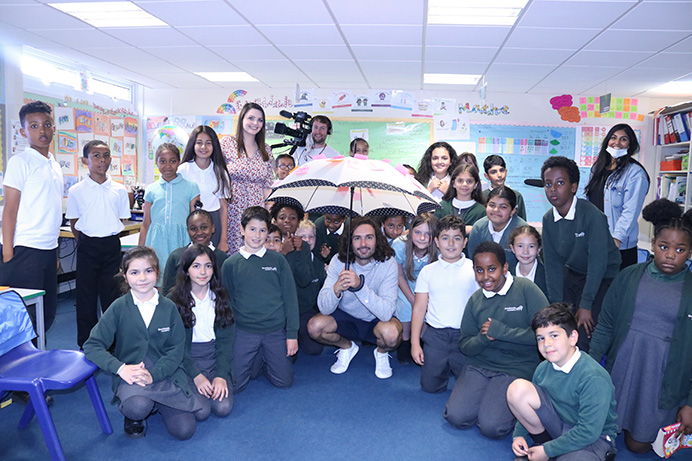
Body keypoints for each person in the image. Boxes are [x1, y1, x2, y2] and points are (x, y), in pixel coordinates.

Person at [589, 198, 692, 454]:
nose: (670, 255)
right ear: (653, 245)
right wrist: (588, 366)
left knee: (638, 446)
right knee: (606, 431)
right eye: (663, 246)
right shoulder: (629, 276)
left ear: (690, 252)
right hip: (624, 366)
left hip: (662, 377)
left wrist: (690, 403)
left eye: (680, 250)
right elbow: (606, 324)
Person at [83, 246, 209, 440]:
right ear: (125, 277)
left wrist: (154, 375)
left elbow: (176, 350)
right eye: (134, 272)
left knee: (185, 430)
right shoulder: (119, 307)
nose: (142, 278)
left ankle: (155, 402)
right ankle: (137, 411)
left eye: (148, 271)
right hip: (131, 375)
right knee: (138, 407)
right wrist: (120, 368)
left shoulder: (168, 307)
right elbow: (91, 345)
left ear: (157, 273)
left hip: (165, 374)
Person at [444, 241, 548, 439]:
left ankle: (514, 403)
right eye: (479, 270)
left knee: (491, 427)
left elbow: (544, 336)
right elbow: (465, 345)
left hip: (516, 367)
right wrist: (484, 338)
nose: (485, 277)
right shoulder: (475, 300)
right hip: (479, 364)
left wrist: (502, 332)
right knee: (456, 417)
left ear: (505, 268)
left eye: (492, 269)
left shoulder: (526, 289)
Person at [508, 303, 618, 461]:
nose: (547, 344)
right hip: (559, 424)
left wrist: (547, 450)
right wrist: (519, 435)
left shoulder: (593, 377)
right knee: (517, 389)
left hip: (594, 439)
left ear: (572, 337)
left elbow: (588, 431)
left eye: (554, 335)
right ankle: (550, 448)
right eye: (541, 338)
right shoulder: (543, 368)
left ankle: (551, 452)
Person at [540, 156, 620, 352]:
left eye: (560, 183)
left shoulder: (592, 216)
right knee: (559, 325)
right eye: (548, 184)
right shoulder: (549, 220)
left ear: (573, 187)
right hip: (575, 273)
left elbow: (597, 263)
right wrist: (557, 306)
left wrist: (586, 305)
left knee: (584, 330)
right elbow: (553, 265)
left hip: (603, 277)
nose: (553, 189)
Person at [309, 216, 402, 379]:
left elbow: (387, 313)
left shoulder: (389, 263)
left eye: (369, 237)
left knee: (392, 335)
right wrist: (336, 289)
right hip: (346, 317)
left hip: (376, 319)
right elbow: (324, 308)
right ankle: (347, 347)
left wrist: (359, 287)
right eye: (357, 238)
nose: (363, 244)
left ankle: (381, 353)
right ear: (350, 241)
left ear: (377, 239)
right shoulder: (338, 261)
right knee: (315, 327)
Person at [0, 101, 63, 334]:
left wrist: (54, 252)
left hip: (47, 249)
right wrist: (8, 253)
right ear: (23, 131)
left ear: (54, 128)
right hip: (24, 249)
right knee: (23, 316)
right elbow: (10, 210)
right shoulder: (20, 162)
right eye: (34, 126)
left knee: (46, 314)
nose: (42, 131)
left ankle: (37, 359)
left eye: (47, 125)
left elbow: (51, 211)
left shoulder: (53, 164)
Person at [221, 206, 299, 393]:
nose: (257, 235)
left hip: (274, 331)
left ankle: (267, 358)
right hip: (244, 331)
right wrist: (229, 337)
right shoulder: (230, 264)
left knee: (284, 382)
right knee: (236, 386)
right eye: (252, 229)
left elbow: (290, 299)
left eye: (263, 230)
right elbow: (227, 303)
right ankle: (258, 359)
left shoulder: (278, 261)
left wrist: (292, 335)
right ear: (242, 230)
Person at [66, 140, 131, 348]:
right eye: (96, 156)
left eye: (106, 156)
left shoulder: (119, 190)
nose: (102, 160)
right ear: (85, 160)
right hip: (87, 247)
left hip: (111, 246)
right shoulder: (77, 190)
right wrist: (86, 241)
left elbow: (121, 220)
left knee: (111, 296)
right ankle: (86, 343)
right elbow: (74, 222)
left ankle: (112, 343)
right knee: (85, 296)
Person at [410, 215, 477, 393]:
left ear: (465, 242)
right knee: (430, 387)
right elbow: (419, 308)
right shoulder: (428, 271)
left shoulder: (473, 269)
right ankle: (441, 368)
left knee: (469, 388)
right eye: (445, 238)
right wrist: (415, 343)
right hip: (435, 337)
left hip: (464, 337)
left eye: (457, 238)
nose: (451, 244)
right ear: (437, 242)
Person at [170, 244, 234, 418]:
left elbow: (226, 343)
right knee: (202, 411)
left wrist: (221, 375)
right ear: (186, 270)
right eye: (196, 266)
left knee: (223, 408)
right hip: (188, 359)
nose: (203, 272)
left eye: (208, 266)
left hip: (214, 357)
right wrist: (196, 375)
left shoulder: (221, 297)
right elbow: (176, 348)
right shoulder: (173, 302)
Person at [584, 123, 650, 269]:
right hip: (595, 241)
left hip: (619, 246)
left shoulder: (635, 174)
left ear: (630, 145)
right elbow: (590, 203)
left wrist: (616, 238)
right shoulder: (598, 168)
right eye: (613, 138)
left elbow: (630, 211)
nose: (617, 143)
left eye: (623, 139)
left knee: (618, 288)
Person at [139, 143, 200, 284]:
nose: (168, 165)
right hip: (156, 242)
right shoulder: (151, 189)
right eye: (162, 161)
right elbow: (146, 223)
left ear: (179, 162)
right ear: (156, 162)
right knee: (157, 279)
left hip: (181, 240)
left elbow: (195, 220)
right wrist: (140, 250)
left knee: (181, 281)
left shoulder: (191, 187)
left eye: (172, 161)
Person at [221, 102, 274, 254]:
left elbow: (267, 186)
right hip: (232, 210)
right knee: (232, 254)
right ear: (242, 119)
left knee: (254, 253)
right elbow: (218, 177)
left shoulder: (266, 150)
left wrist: (268, 217)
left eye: (260, 120)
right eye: (251, 118)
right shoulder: (226, 144)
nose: (255, 123)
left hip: (257, 211)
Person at [392, 213, 438, 363]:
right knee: (406, 306)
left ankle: (420, 339)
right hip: (405, 282)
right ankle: (405, 339)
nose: (422, 238)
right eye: (418, 232)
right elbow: (399, 276)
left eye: (428, 234)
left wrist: (422, 302)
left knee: (426, 309)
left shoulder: (437, 249)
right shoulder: (400, 245)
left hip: (429, 285)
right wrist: (413, 300)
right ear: (410, 232)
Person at [179, 125, 232, 251]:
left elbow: (224, 207)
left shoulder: (220, 171)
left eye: (208, 143)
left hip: (213, 221)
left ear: (214, 146)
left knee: (212, 263)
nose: (204, 147)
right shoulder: (183, 169)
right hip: (188, 220)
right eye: (199, 143)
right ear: (193, 145)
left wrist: (223, 239)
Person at [161, 209, 229, 296]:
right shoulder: (176, 256)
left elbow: (226, 291)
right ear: (188, 230)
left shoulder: (223, 258)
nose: (199, 232)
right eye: (193, 229)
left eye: (204, 227)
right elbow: (167, 290)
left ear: (212, 228)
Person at [466, 186, 528, 270]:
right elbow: (473, 261)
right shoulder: (478, 228)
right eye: (492, 205)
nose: (496, 210)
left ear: (513, 211)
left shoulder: (523, 231)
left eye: (503, 207)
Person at [294, 219, 326, 356]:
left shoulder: (319, 264)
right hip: (289, 313)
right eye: (302, 236)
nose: (307, 240)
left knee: (315, 349)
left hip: (307, 312)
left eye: (311, 236)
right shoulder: (288, 260)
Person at [436, 163, 486, 234]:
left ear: (475, 185)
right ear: (453, 183)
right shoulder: (442, 207)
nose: (464, 184)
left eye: (469, 181)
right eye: (460, 181)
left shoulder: (481, 211)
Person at [482, 155, 527, 221]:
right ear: (486, 176)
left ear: (506, 171)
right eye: (493, 172)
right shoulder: (481, 196)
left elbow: (522, 221)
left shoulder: (516, 195)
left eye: (502, 170)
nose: (499, 175)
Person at [509, 225, 547, 295]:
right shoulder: (507, 274)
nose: (525, 251)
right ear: (512, 248)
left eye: (531, 246)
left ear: (539, 249)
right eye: (520, 246)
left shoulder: (547, 276)